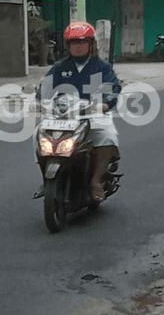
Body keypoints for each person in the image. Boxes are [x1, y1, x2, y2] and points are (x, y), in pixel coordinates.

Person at [35, 21, 122, 202]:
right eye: (73, 43)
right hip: (63, 116)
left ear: (92, 44)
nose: (78, 46)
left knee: (108, 135)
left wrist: (106, 104)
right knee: (38, 135)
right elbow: (45, 87)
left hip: (93, 114)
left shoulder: (102, 67)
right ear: (68, 46)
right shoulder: (60, 67)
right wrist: (39, 101)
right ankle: (46, 178)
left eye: (82, 42)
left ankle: (96, 180)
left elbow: (112, 88)